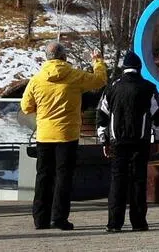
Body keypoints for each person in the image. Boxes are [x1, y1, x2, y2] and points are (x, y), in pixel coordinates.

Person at [20, 42, 106, 232]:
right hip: (67, 135)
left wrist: (41, 110)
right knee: (63, 177)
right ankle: (59, 218)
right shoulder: (75, 76)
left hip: (44, 135)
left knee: (43, 176)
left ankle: (40, 218)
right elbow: (100, 80)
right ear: (64, 57)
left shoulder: (37, 79)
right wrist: (97, 61)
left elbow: (26, 107)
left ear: (47, 57)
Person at [96, 50, 159, 235]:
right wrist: (157, 139)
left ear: (123, 68)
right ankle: (139, 222)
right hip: (140, 141)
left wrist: (104, 140)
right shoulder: (148, 87)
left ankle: (114, 223)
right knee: (138, 181)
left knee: (117, 181)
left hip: (117, 141)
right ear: (139, 68)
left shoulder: (112, 87)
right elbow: (158, 115)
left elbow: (101, 115)